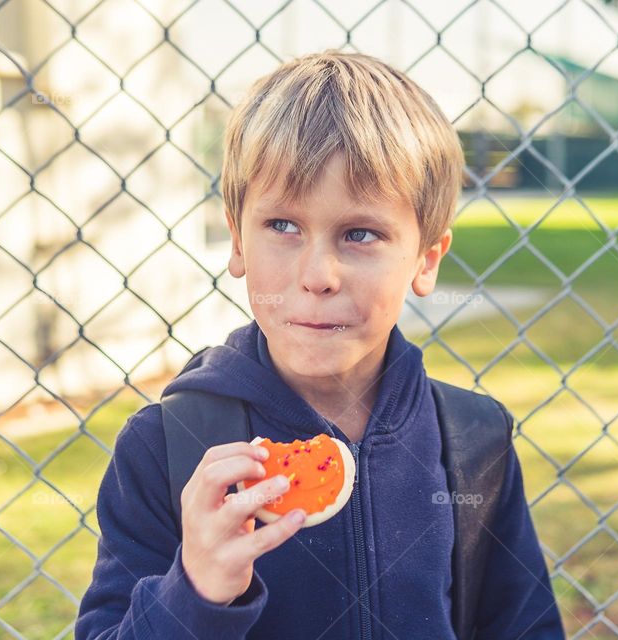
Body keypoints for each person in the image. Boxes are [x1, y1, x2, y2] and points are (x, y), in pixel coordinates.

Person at [76, 49, 564, 639]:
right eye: (283, 226)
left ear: (425, 257)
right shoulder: (168, 448)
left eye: (360, 233)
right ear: (236, 240)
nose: (318, 275)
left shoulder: (472, 439)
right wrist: (194, 593)